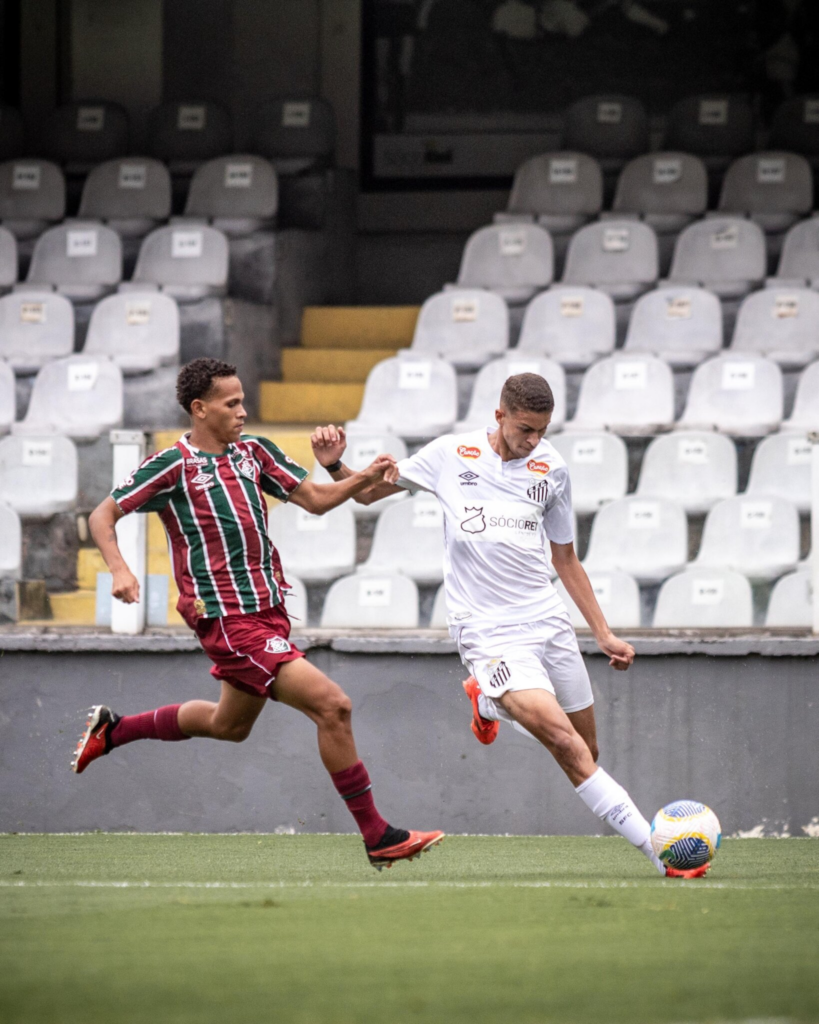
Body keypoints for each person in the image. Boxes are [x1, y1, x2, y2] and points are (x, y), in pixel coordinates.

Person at [311, 373, 707, 878]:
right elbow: (367, 496)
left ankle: (486, 700)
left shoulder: (552, 469)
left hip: (546, 620)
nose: (533, 441)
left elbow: (565, 557)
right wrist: (335, 466)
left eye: (542, 430)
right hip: (488, 631)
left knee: (586, 750)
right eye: (525, 429)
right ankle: (662, 855)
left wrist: (602, 633)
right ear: (499, 416)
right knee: (564, 745)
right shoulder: (450, 454)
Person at [71, 357, 443, 871]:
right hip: (225, 615)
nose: (244, 411)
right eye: (232, 403)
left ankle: (114, 730)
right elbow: (102, 514)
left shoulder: (255, 453)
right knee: (332, 706)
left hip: (269, 610)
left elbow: (316, 501)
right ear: (200, 410)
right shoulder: (172, 465)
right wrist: (119, 570)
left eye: (244, 400)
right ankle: (378, 836)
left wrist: (351, 472)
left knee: (229, 725)